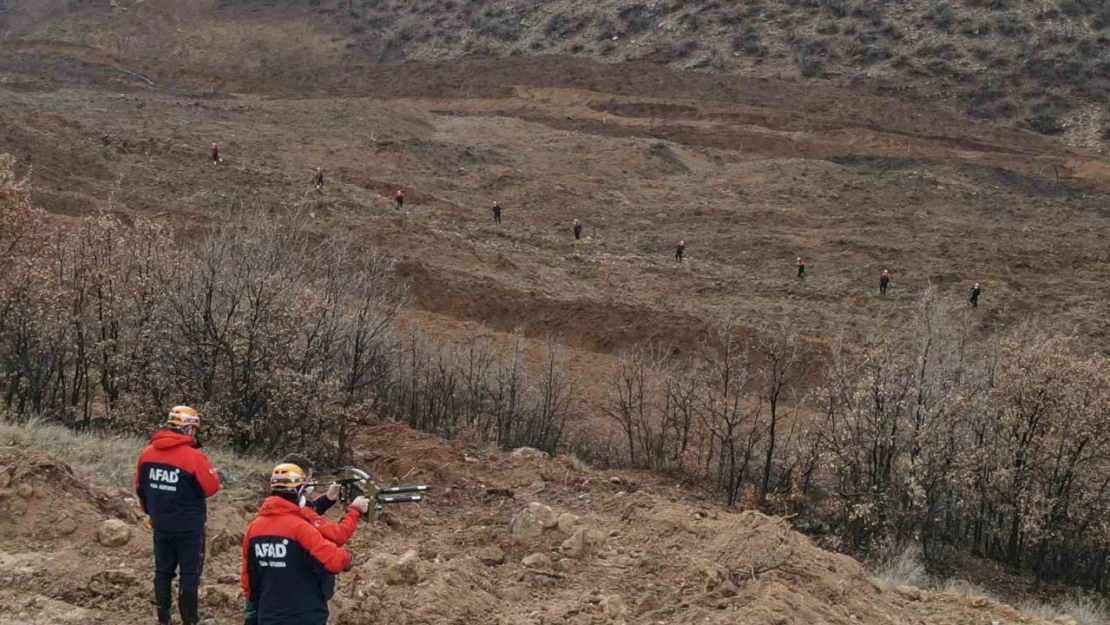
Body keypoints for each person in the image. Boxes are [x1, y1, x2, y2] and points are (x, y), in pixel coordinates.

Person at [242, 464, 369, 625]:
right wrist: (349, 558)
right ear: (299, 490)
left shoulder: (255, 528)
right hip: (305, 614)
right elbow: (333, 560)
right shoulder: (300, 529)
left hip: (269, 615)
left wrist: (253, 614)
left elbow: (249, 578)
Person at [136, 406, 221, 625]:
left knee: (162, 571)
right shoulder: (194, 457)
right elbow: (212, 488)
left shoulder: (147, 454)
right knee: (190, 574)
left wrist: (151, 512)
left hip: (160, 523)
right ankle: (190, 621)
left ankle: (163, 619)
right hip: (189, 526)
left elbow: (140, 488)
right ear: (189, 428)